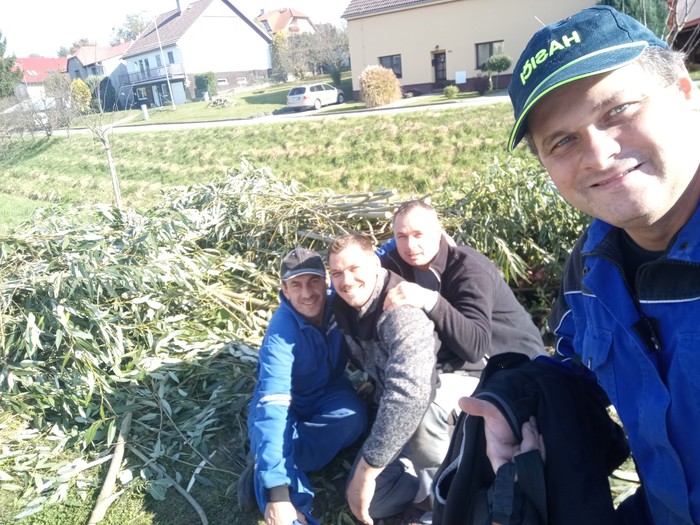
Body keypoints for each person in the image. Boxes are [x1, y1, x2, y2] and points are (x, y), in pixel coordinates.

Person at [461, 5, 700, 525]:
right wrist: (516, 399)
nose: (597, 154)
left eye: (619, 110)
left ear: (685, 93)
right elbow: (581, 368)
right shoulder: (592, 269)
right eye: (563, 141)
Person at [378, 200, 545, 472]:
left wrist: (430, 300)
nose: (410, 245)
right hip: (465, 364)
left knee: (424, 402)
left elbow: (475, 346)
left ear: (438, 233)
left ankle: (440, 488)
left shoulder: (469, 268)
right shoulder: (399, 264)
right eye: (401, 236)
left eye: (418, 234)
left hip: (511, 365)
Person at [242, 247, 367, 525]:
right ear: (285, 290)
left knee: (354, 419)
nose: (307, 293)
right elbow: (273, 405)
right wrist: (277, 493)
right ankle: (277, 488)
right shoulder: (281, 333)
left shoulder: (340, 303)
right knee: (274, 444)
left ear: (326, 282)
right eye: (296, 285)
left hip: (329, 390)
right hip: (287, 400)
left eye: (313, 281)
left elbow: (373, 258)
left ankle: (271, 460)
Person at [328, 233, 439, 525]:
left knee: (368, 495)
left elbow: (410, 395)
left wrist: (369, 468)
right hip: (395, 400)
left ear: (375, 264)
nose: (346, 281)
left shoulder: (401, 314)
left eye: (355, 268)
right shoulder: (343, 305)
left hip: (431, 407)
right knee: (369, 500)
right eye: (337, 273)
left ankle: (438, 489)